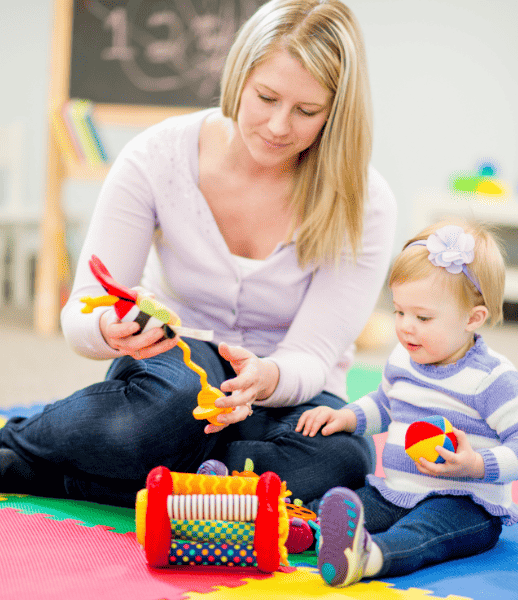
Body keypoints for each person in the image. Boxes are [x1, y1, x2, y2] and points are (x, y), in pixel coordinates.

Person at [0, 0, 396, 507]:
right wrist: (106, 328)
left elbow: (312, 356)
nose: (278, 126)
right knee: (172, 410)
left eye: (306, 111)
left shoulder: (364, 200)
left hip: (285, 391)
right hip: (176, 381)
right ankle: (21, 441)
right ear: (239, 76)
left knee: (342, 460)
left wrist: (265, 378)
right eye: (266, 97)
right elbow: (83, 310)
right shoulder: (157, 156)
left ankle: (78, 473)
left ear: (336, 112)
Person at [296, 219, 518, 587]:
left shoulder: (491, 378)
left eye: (423, 317)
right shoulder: (403, 358)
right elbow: (385, 405)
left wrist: (476, 464)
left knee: (422, 533)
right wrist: (346, 417)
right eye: (399, 312)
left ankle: (369, 557)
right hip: (397, 492)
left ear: (472, 319)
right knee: (345, 505)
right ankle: (292, 528)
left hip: (465, 503)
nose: (406, 327)